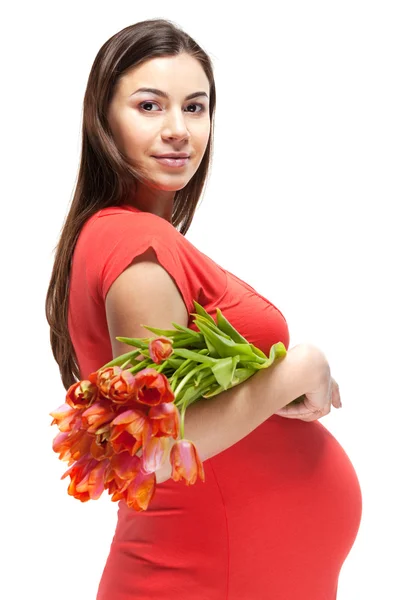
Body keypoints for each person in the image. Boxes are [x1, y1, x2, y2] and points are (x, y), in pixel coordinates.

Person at [45, 18, 362, 600]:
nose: (178, 130)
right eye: (149, 106)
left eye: (195, 107)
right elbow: (157, 449)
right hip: (198, 573)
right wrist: (298, 368)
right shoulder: (133, 247)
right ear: (102, 121)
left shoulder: (136, 238)